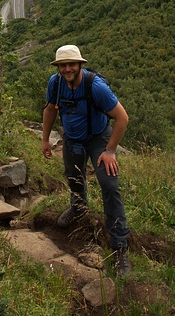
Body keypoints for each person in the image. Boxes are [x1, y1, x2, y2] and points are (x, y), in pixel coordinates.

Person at [41, 44, 131, 276]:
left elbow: (122, 118)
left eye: (72, 64)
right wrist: (44, 140)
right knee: (74, 178)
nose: (67, 69)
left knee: (109, 186)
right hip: (72, 139)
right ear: (58, 68)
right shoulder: (56, 83)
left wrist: (109, 151)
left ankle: (120, 245)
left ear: (80, 64)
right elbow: (50, 109)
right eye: (63, 65)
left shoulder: (96, 86)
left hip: (98, 139)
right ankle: (79, 207)